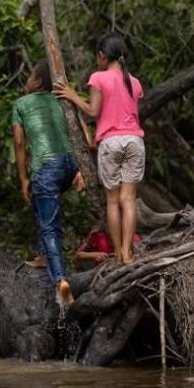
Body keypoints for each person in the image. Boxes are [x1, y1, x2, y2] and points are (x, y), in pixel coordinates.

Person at [54, 32, 145, 265]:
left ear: (103, 56)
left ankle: (119, 255)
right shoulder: (134, 82)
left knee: (113, 201)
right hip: (134, 140)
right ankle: (128, 252)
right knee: (129, 199)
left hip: (111, 142)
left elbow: (93, 112)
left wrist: (73, 96)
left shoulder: (98, 78)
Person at [12, 59, 86, 307]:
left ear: (38, 81)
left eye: (30, 76)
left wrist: (23, 178)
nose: (27, 80)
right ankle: (44, 256)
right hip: (70, 164)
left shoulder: (21, 104)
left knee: (49, 226)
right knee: (43, 207)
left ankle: (60, 282)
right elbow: (85, 136)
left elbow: (20, 144)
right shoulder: (62, 100)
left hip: (47, 167)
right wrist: (82, 169)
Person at [75, 224, 141, 266]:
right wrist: (94, 255)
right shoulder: (97, 234)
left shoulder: (133, 238)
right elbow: (78, 255)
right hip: (102, 275)